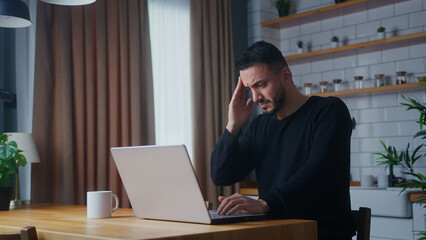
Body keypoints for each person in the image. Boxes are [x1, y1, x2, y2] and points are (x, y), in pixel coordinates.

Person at [210, 41, 355, 240]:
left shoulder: (329, 111)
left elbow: (319, 172)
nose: (255, 97)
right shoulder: (258, 126)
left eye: (260, 85)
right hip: (275, 234)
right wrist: (233, 125)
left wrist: (265, 203)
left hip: (320, 234)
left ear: (286, 75)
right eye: (249, 88)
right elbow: (221, 175)